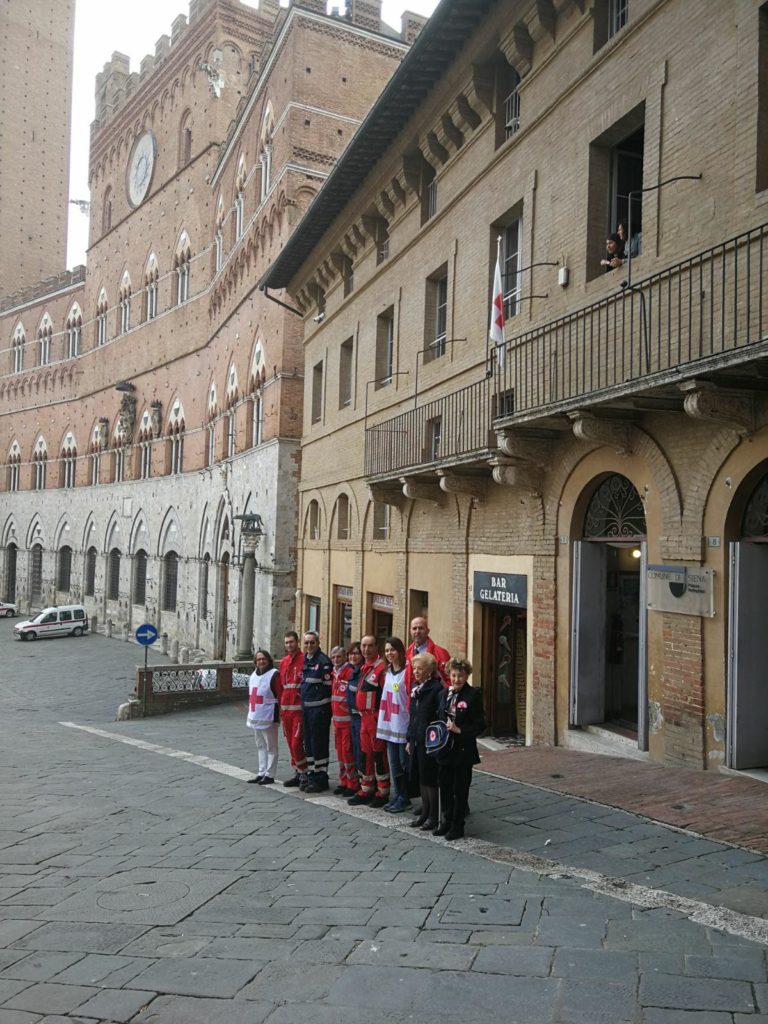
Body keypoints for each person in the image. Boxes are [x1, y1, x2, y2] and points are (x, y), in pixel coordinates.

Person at [434, 657, 486, 841]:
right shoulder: (443, 694)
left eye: (460, 676)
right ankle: (446, 821)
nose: (456, 680)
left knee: (460, 789)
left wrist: (460, 730)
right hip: (445, 750)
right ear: (449, 675)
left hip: (463, 751)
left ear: (466, 676)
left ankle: (458, 825)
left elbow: (480, 725)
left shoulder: (473, 695)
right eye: (454, 675)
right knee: (445, 787)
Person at [348, 634, 389, 808]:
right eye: (363, 646)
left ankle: (383, 791)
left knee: (378, 755)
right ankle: (366, 788)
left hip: (375, 717)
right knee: (366, 754)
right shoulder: (366, 666)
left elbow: (385, 694)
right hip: (363, 717)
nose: (366, 649)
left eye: (369, 646)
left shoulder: (381, 668)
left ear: (376, 647)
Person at [405, 651, 444, 830]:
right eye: (414, 669)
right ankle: (425, 813)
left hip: (430, 742)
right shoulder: (416, 688)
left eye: (420, 669)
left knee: (430, 779)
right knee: (421, 777)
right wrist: (409, 739)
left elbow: (437, 717)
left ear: (429, 671)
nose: (415, 672)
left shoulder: (435, 690)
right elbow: (413, 716)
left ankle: (433, 816)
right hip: (417, 739)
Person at [377, 636, 410, 813]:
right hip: (389, 724)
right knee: (394, 763)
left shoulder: (407, 672)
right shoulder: (386, 672)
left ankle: (405, 797)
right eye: (387, 650)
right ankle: (398, 795)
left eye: (393, 650)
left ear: (400, 651)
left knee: (404, 764)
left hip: (403, 724)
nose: (390, 653)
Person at [301, 631, 334, 793]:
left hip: (319, 711)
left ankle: (321, 778)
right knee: (309, 744)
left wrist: (322, 709)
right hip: (307, 710)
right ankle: (312, 774)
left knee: (319, 744)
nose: (309, 646)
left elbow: (328, 689)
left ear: (318, 643)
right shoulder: (305, 660)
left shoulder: (324, 662)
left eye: (312, 642)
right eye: (306, 643)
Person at [246, 649, 283, 785]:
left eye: (263, 659)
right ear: (255, 662)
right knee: (260, 744)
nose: (261, 661)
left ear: (268, 660)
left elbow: (280, 694)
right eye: (259, 659)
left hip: (269, 715)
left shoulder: (274, 675)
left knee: (271, 746)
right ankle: (261, 771)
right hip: (256, 714)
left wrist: (280, 714)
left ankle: (270, 774)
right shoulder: (253, 675)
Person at [279, 631, 308, 789]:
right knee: (291, 744)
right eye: (287, 642)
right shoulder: (283, 662)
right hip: (286, 711)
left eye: (291, 642)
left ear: (297, 642)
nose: (289, 645)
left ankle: (304, 772)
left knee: (297, 743)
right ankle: (297, 771)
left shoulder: (304, 660)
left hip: (298, 710)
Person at [330, 644, 357, 796]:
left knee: (348, 753)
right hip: (337, 721)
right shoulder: (334, 673)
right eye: (333, 657)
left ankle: (352, 783)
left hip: (347, 721)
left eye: (339, 656)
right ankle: (344, 780)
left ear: (345, 656)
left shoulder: (349, 672)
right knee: (340, 753)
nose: (336, 660)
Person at [404, 616, 451, 688]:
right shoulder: (407, 653)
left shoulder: (441, 653)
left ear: (428, 631)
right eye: (414, 628)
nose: (417, 631)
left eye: (421, 628)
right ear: (410, 631)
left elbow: (450, 681)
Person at [345, 641, 364, 789]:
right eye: (351, 653)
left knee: (362, 752)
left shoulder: (363, 672)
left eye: (356, 653)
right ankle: (358, 783)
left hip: (361, 719)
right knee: (355, 751)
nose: (353, 656)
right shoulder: (353, 671)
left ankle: (366, 785)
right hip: (352, 717)